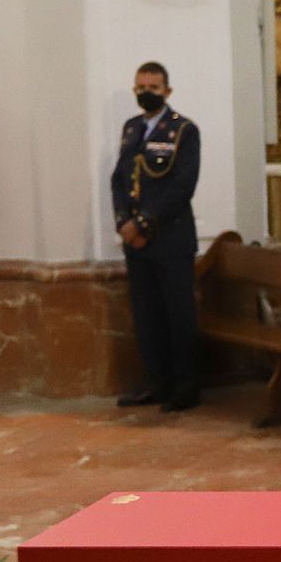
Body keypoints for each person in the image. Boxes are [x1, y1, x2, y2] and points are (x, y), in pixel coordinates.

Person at [110, 60, 201, 412]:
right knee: (147, 315)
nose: (147, 93)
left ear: (168, 91)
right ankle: (156, 382)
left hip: (170, 239)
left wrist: (144, 225)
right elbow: (119, 179)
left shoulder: (184, 131)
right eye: (141, 88)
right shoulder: (131, 128)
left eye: (154, 88)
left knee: (177, 316)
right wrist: (123, 223)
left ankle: (185, 386)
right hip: (136, 242)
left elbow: (181, 187)